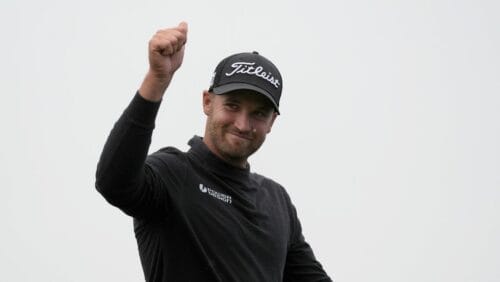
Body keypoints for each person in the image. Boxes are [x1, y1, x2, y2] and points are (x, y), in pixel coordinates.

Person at [95, 22, 333, 282]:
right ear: (207, 102)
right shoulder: (172, 174)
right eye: (232, 105)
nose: (242, 124)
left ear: (271, 122)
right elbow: (113, 183)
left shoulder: (276, 200)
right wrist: (156, 80)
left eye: (258, 114)